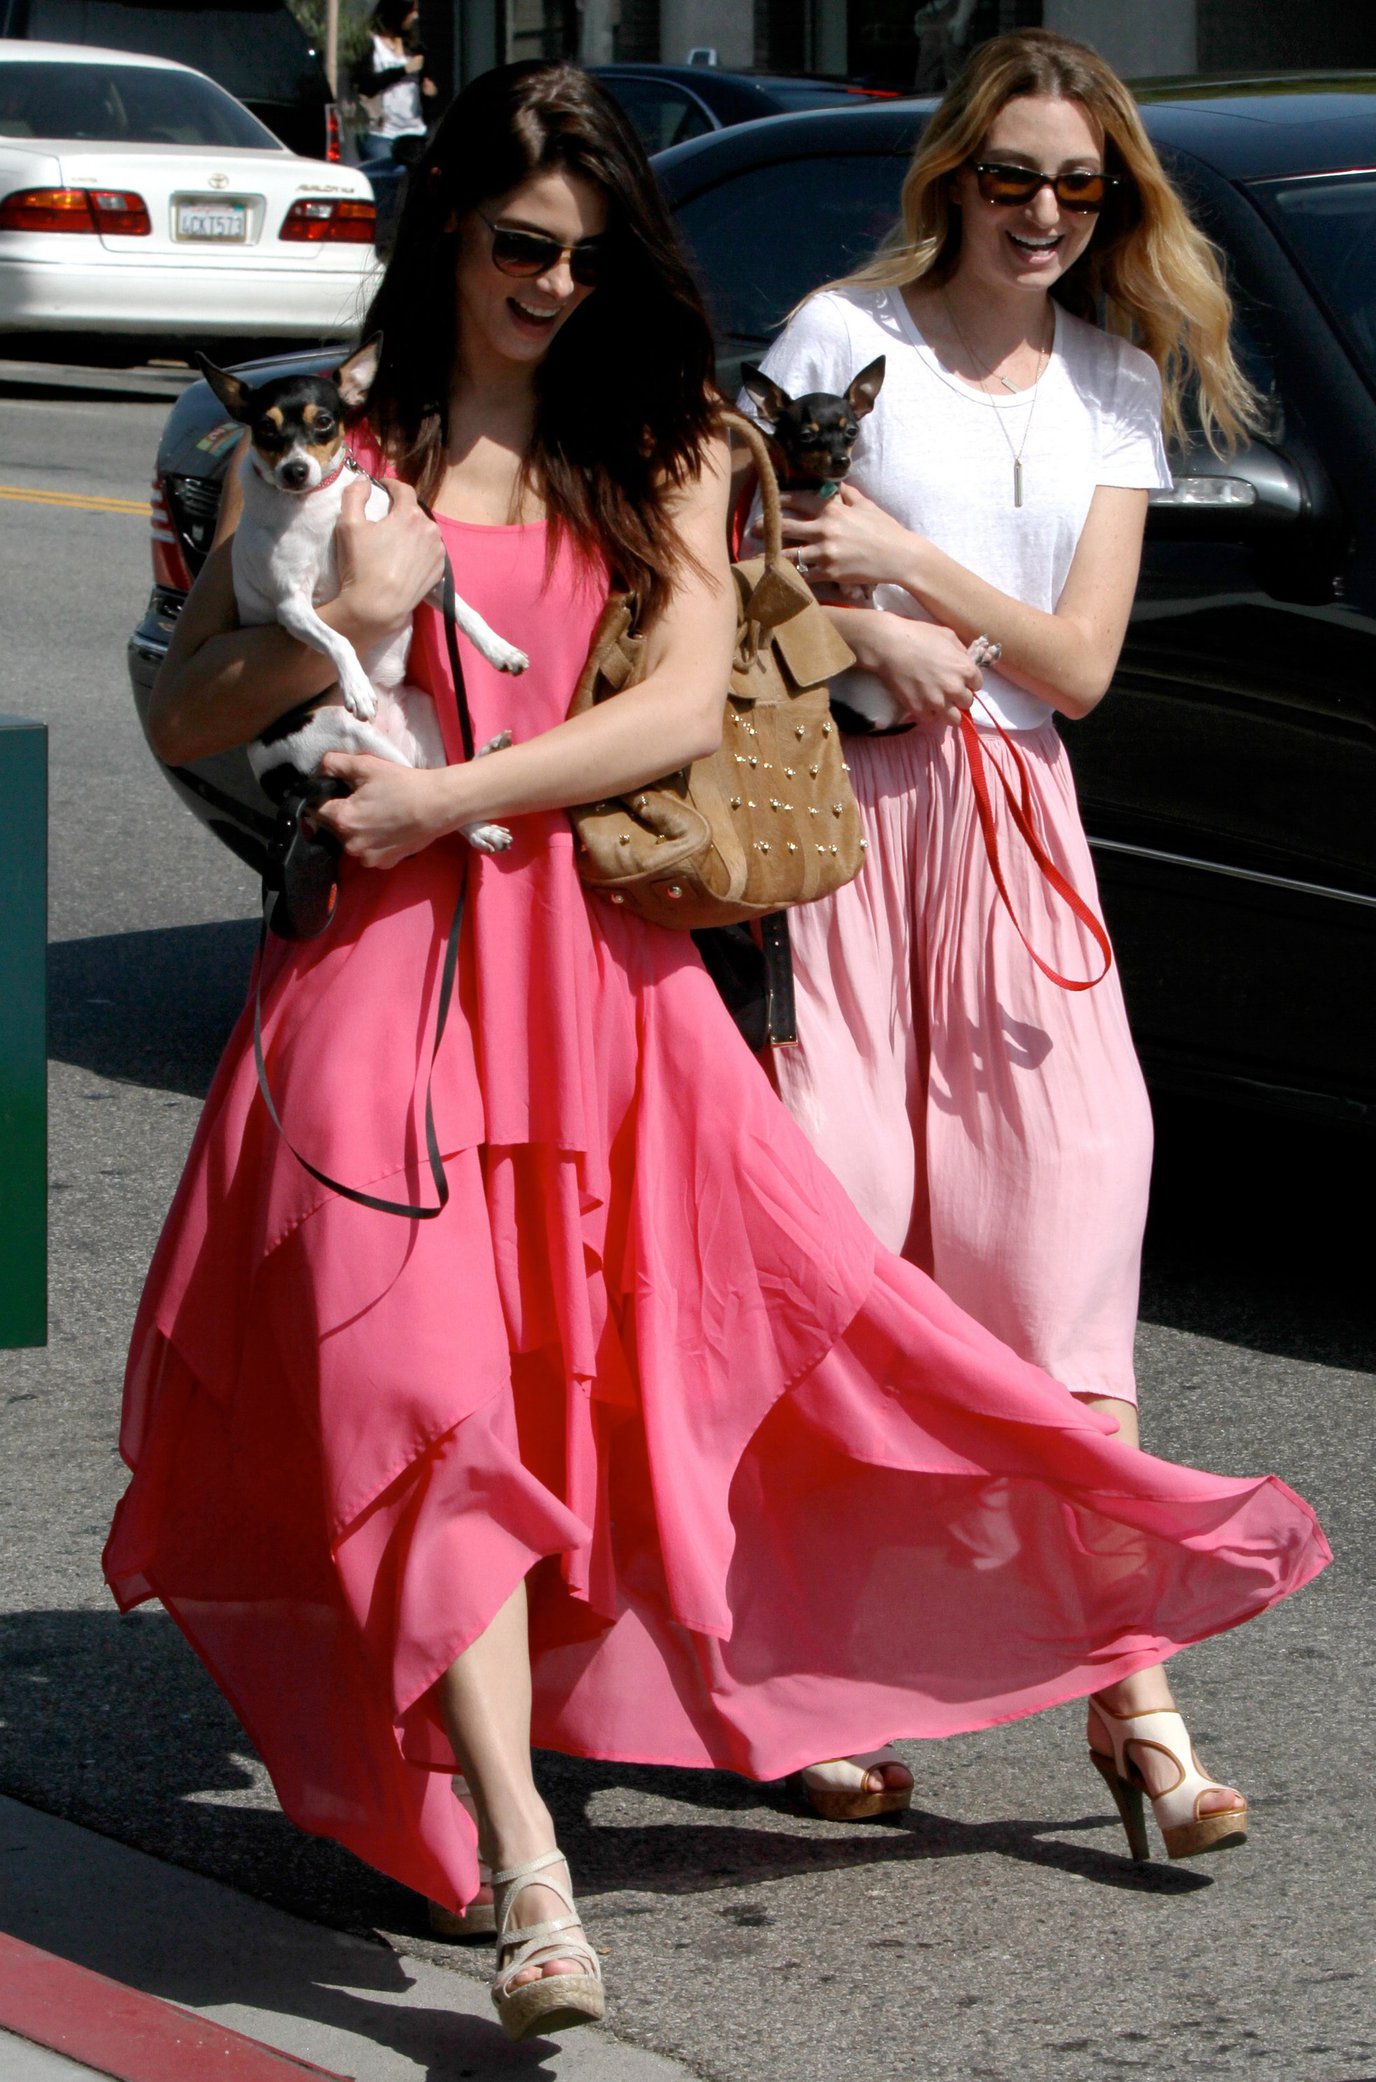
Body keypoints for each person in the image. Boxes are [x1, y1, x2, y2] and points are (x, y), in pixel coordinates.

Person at [103, 60, 1327, 2044]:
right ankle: (527, 1868)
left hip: (579, 976)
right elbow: (195, 711)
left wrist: (450, 796)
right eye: (518, 249)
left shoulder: (663, 443)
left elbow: (679, 709)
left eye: (588, 256)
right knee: (419, 1408)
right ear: (447, 244)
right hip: (375, 994)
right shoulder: (352, 441)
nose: (555, 287)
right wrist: (329, 607)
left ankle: (1108, 1635)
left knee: (819, 1333)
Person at [739, 27, 1270, 1828]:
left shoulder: (1112, 386)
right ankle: (802, 1673)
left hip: (1019, 840)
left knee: (1056, 1270)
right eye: (1011, 175)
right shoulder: (840, 342)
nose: (1041, 210)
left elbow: (1080, 668)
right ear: (949, 176)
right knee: (838, 1262)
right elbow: (742, 575)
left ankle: (1134, 1695)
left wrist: (911, 567)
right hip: (838, 833)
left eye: (1076, 184)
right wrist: (864, 621)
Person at [353, 0, 437, 164]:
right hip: (381, 133)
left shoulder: (415, 47)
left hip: (415, 131)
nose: (415, 16)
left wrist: (430, 92)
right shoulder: (372, 44)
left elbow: (425, 84)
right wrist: (403, 70)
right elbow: (366, 86)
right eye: (411, 11)